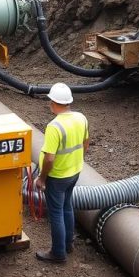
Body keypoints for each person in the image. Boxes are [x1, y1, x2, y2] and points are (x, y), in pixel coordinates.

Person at [34, 83, 89, 264]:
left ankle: (58, 253)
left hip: (57, 177)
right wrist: (77, 160)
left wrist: (42, 178)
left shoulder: (54, 127)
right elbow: (86, 142)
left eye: (50, 101)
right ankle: (68, 244)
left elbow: (49, 159)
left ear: (54, 103)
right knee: (67, 207)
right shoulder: (81, 118)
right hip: (74, 172)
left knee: (56, 213)